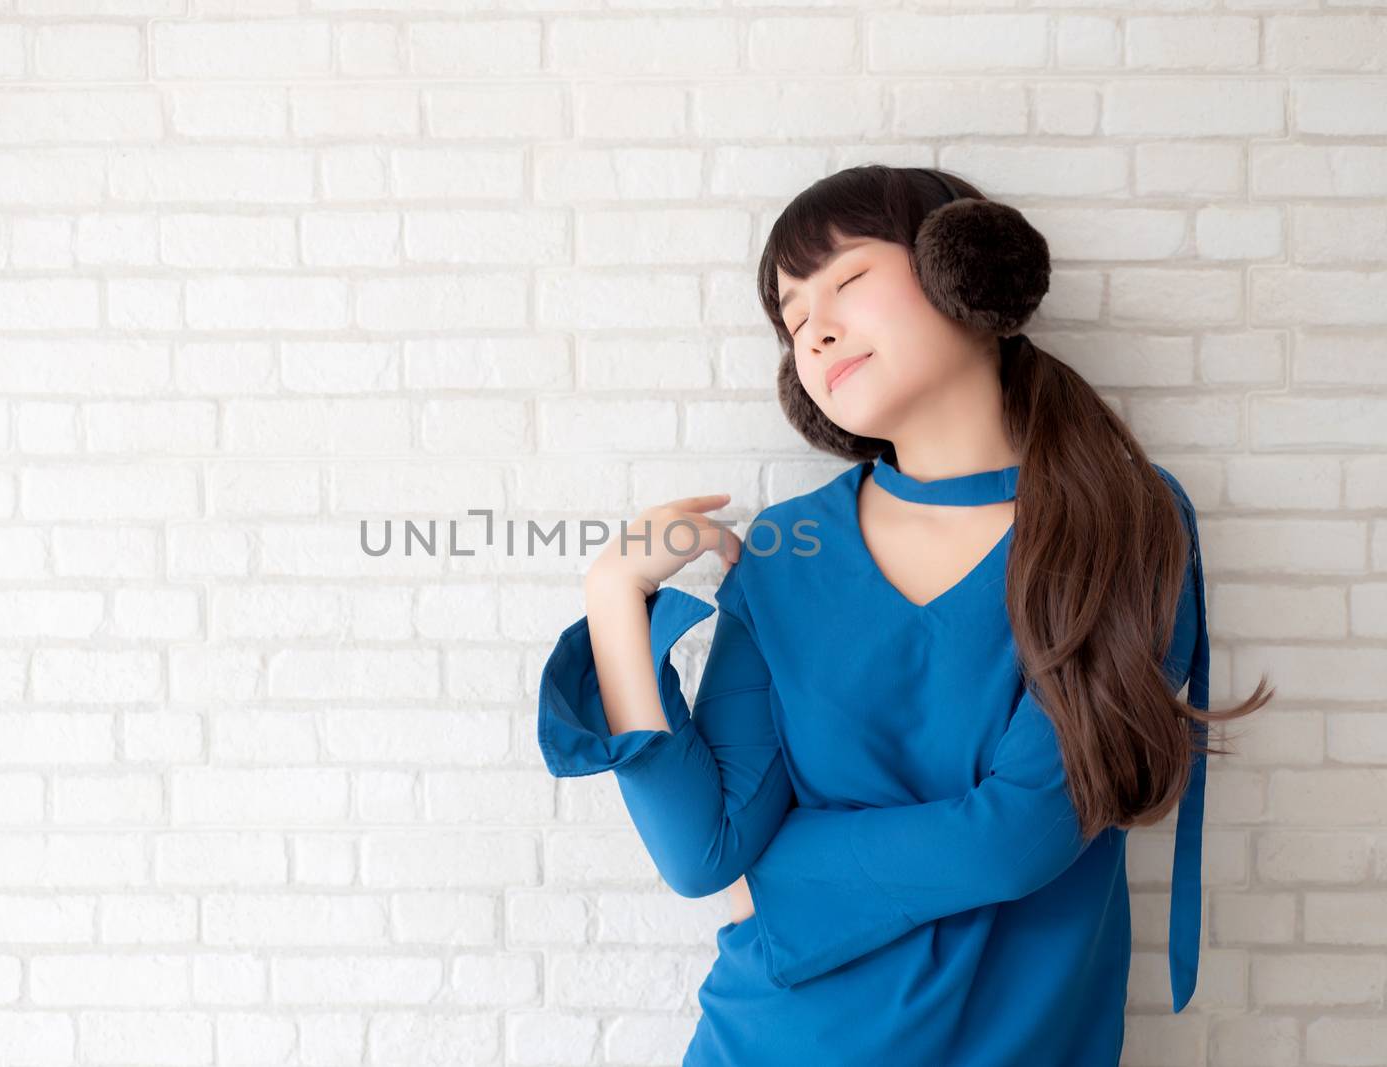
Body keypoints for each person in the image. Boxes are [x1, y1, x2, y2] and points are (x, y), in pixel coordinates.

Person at [534, 164, 1276, 1065]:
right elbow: (704, 850)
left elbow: (1015, 839)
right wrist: (615, 599)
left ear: (968, 271)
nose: (818, 331)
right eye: (794, 318)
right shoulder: (786, 549)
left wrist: (774, 879)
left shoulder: (1118, 521)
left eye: (846, 281)